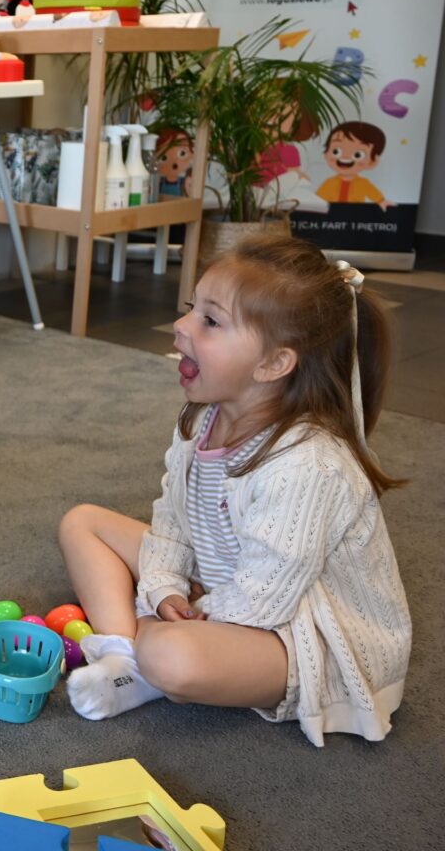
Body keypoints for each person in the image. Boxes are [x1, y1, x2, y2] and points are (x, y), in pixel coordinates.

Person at [58, 234, 411, 746]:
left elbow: (265, 600)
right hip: (226, 580)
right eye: (191, 308)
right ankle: (123, 658)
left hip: (300, 628)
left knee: (171, 655)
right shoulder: (202, 420)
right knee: (82, 523)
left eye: (210, 321)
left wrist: (194, 612)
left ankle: (146, 661)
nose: (181, 326)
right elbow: (172, 522)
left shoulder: (309, 464)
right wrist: (165, 588)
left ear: (273, 364)